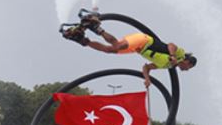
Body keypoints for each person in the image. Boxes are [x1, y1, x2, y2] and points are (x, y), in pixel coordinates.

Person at [65, 13, 197, 88]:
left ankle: (83, 40)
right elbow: (171, 45)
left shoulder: (167, 66)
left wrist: (147, 79)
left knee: (109, 50)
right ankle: (96, 27)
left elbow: (147, 67)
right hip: (144, 40)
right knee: (117, 46)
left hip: (137, 49)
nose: (186, 70)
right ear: (187, 61)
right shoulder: (180, 54)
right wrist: (173, 56)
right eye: (188, 67)